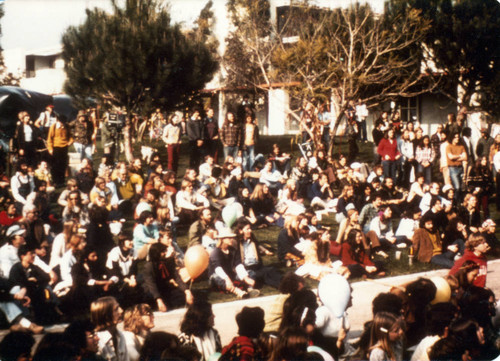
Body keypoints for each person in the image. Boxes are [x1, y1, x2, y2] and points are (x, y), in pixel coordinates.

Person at [141, 242, 192, 312]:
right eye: (163, 252)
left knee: (181, 297)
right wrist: (158, 300)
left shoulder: (169, 262)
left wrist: (187, 291)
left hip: (164, 288)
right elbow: (151, 285)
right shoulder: (149, 267)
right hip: (151, 291)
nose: (165, 253)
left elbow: (177, 277)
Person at [208, 229, 257, 299]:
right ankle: (236, 291)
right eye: (229, 238)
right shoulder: (216, 252)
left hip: (230, 274)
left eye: (232, 238)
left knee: (251, 272)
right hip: (218, 277)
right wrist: (227, 279)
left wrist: (245, 278)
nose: (232, 239)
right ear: (222, 239)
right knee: (216, 277)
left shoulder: (233, 250)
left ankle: (250, 289)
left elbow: (238, 264)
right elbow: (218, 269)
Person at [91, 296, 129, 361]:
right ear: (105, 315)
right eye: (116, 309)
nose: (121, 311)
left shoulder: (120, 335)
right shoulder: (97, 341)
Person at [46, 113, 73, 186]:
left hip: (64, 148)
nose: (62, 124)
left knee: (63, 165)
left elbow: (70, 136)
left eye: (64, 123)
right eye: (61, 123)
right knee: (55, 166)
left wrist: (70, 142)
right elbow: (49, 139)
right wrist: (50, 149)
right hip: (56, 148)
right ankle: (55, 181)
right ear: (58, 121)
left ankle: (61, 181)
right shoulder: (53, 127)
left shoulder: (67, 126)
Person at [446, 132, 467, 200]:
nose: (457, 138)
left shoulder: (461, 147)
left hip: (460, 168)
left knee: (461, 188)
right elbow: (451, 157)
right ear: (452, 138)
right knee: (457, 187)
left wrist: (456, 158)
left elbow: (465, 157)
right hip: (453, 169)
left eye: (458, 137)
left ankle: (458, 203)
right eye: (455, 137)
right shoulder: (449, 147)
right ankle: (454, 201)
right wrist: (460, 156)